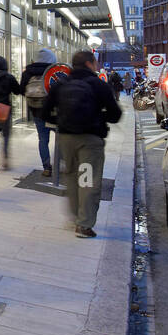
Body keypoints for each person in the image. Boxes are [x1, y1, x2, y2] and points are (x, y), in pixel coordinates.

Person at [43, 49, 122, 239]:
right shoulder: (98, 85)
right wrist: (98, 116)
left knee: (70, 177)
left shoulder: (61, 84)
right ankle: (84, 224)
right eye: (94, 63)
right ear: (89, 64)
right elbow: (115, 115)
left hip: (66, 139)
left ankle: (75, 216)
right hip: (89, 141)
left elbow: (45, 113)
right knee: (87, 180)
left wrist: (61, 120)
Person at [19, 46, 57, 176]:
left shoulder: (27, 72)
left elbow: (22, 90)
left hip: (36, 111)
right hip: (54, 112)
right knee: (62, 138)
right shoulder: (54, 71)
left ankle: (46, 167)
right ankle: (60, 163)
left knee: (42, 139)